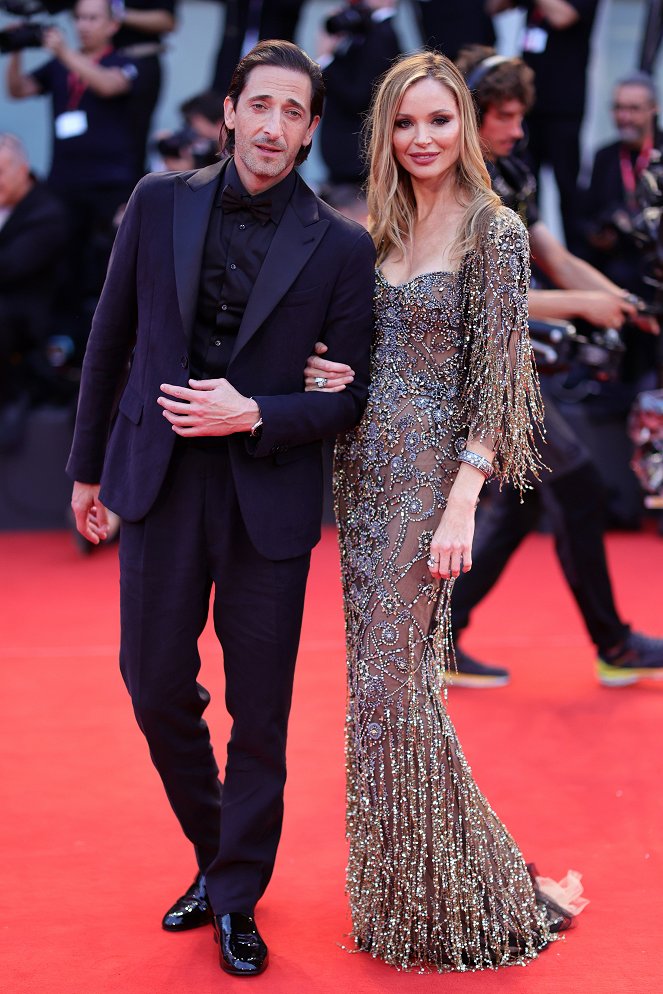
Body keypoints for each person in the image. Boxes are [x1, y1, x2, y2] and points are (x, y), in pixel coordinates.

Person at [67, 39, 376, 977]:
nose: (275, 127)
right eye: (261, 106)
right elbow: (110, 334)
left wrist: (258, 411)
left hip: (264, 492)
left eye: (295, 113)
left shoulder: (342, 243)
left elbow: (347, 396)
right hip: (158, 478)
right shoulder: (159, 202)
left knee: (261, 715)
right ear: (230, 111)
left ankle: (235, 893)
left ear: (312, 130)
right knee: (152, 683)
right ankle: (217, 851)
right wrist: (86, 468)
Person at [308, 51, 578, 971]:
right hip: (361, 475)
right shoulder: (377, 229)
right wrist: (326, 374)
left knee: (397, 692)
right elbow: (363, 354)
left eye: (437, 120)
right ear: (383, 133)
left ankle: (479, 889)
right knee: (378, 694)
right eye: (404, 123)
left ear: (463, 125)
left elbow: (501, 377)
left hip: (431, 482)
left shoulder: (492, 230)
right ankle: (411, 895)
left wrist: (464, 498)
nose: (421, 139)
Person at [308, 47, 663, 692]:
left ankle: (462, 631)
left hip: (496, 380)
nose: (516, 129)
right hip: (457, 390)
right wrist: (586, 303)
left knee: (540, 497)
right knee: (570, 484)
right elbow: (478, 298)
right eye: (504, 115)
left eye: (520, 116)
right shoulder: (408, 209)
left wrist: (619, 301)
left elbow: (543, 259)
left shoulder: (510, 183)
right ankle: (595, 638)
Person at [5, 0, 140, 342]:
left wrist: (63, 52)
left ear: (112, 25)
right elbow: (18, 90)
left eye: (93, 18)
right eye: (79, 17)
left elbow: (109, 85)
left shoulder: (123, 61)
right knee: (64, 265)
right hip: (65, 182)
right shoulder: (58, 64)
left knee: (104, 267)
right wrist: (19, 47)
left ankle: (100, 341)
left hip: (109, 184)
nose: (83, 25)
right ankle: (59, 342)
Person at [578, 71, 662, 388]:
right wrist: (597, 234)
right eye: (618, 108)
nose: (624, 116)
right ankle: (606, 382)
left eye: (633, 108)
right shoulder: (606, 156)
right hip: (615, 264)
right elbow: (583, 215)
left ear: (653, 110)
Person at [0, 132, 68, 449]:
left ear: (23, 167)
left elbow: (9, 269)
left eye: (0, 171)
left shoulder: (47, 212)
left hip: (29, 319)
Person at [318, 0, 400, 185]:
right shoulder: (367, 30)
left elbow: (359, 96)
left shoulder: (382, 35)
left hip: (355, 160)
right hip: (351, 160)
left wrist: (326, 59)